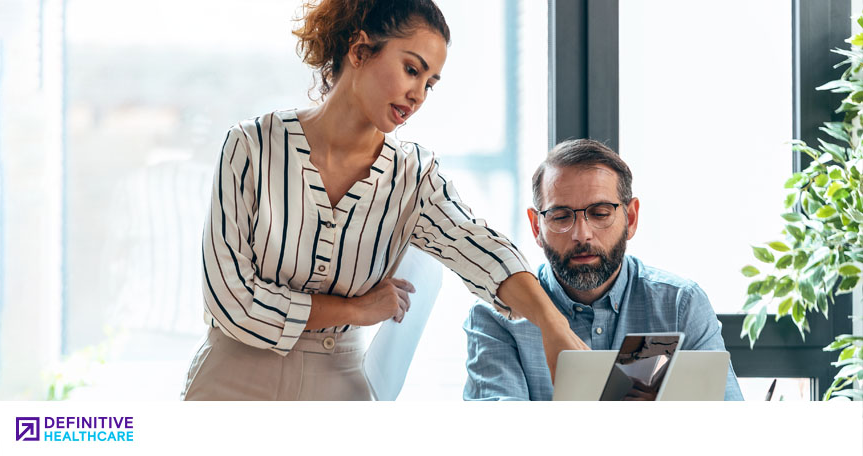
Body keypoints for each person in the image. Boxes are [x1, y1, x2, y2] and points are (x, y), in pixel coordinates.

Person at [181, 0, 586, 401]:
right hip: (228, 382)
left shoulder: (414, 177)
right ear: (359, 51)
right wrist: (355, 310)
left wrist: (553, 326)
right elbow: (231, 302)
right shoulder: (251, 147)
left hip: (338, 390)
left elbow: (482, 248)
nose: (419, 95)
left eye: (429, 84)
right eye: (411, 70)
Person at [463, 139, 744, 401]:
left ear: (630, 218)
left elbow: (729, 425)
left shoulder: (680, 304)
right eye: (561, 217)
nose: (582, 235)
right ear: (537, 227)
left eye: (600, 213)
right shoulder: (495, 316)